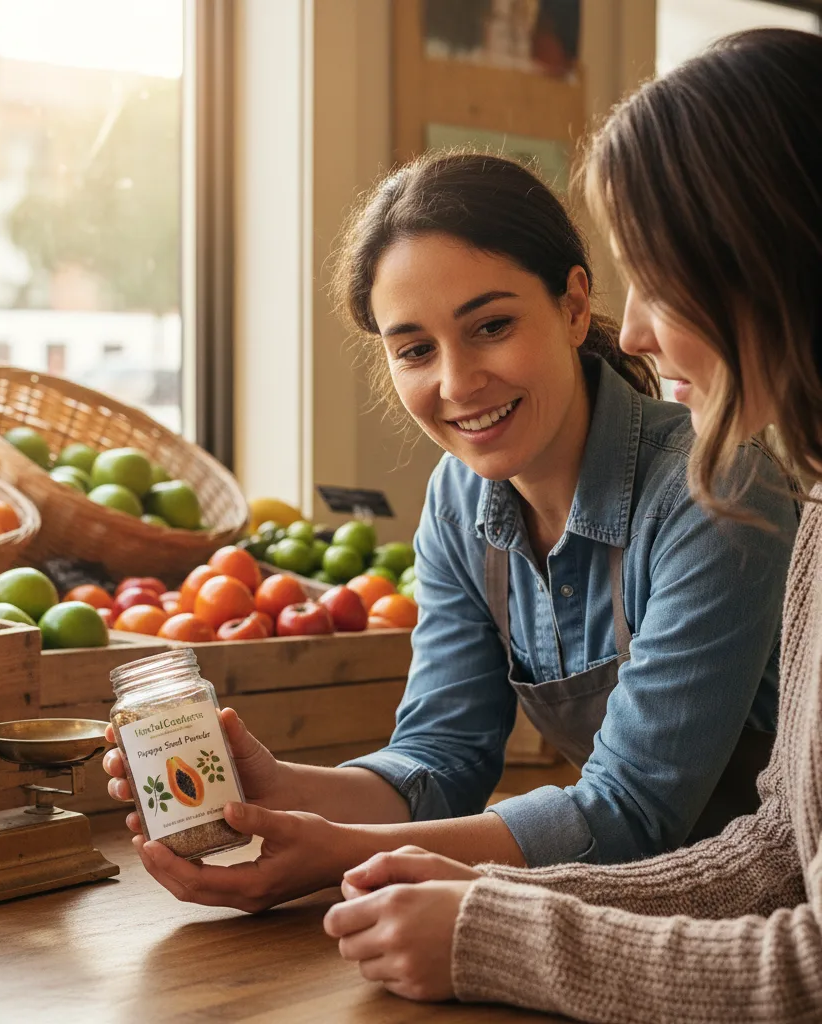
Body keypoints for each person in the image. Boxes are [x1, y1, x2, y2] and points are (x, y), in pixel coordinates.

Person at [103, 150, 797, 913]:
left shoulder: (714, 487)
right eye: (415, 350)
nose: (458, 383)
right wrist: (276, 790)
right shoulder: (459, 499)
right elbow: (441, 761)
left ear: (572, 306)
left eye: (492, 326)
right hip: (604, 907)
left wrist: (335, 855)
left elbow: (631, 810)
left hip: (759, 923)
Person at [322, 28, 822, 1019]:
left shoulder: (730, 484)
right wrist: (478, 889)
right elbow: (777, 847)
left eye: (660, 278)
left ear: (769, 264)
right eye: (413, 346)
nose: (631, 332)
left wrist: (492, 929)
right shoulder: (816, 504)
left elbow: (804, 957)